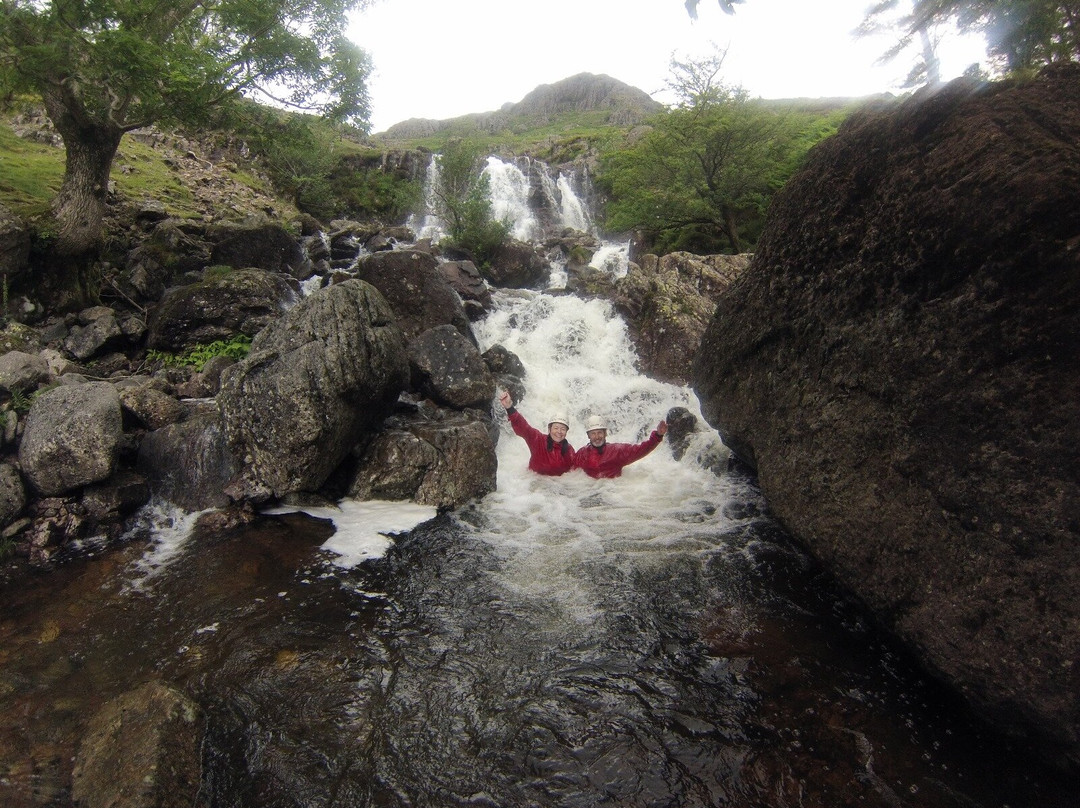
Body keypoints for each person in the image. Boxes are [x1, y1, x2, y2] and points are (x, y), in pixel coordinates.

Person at [498, 390, 574, 476]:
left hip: (557, 485)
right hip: (535, 484)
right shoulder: (538, 440)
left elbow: (576, 473)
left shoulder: (569, 450)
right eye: (556, 428)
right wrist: (509, 407)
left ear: (566, 432)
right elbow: (523, 427)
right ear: (549, 429)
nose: (559, 432)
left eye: (563, 429)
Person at [573, 414, 668, 479]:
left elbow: (641, 449)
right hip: (588, 491)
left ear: (605, 433)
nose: (597, 437)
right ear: (588, 436)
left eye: (599, 433)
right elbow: (570, 472)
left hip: (613, 493)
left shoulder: (617, 451)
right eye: (593, 434)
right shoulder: (582, 454)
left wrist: (658, 435)